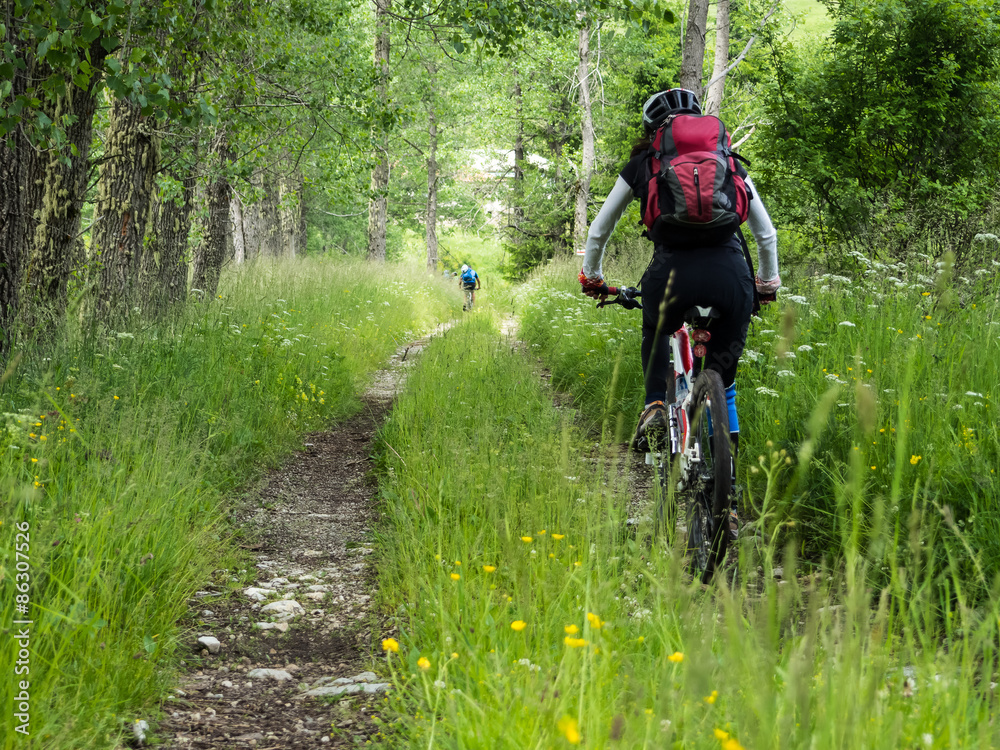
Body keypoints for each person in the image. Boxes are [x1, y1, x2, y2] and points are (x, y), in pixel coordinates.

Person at [578, 88, 780, 537]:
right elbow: (766, 237)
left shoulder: (646, 163)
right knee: (723, 383)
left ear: (654, 130)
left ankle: (654, 405)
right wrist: (765, 286)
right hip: (732, 276)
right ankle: (726, 502)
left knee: (656, 329)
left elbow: (600, 228)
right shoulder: (728, 161)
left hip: (672, 277)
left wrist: (592, 277)